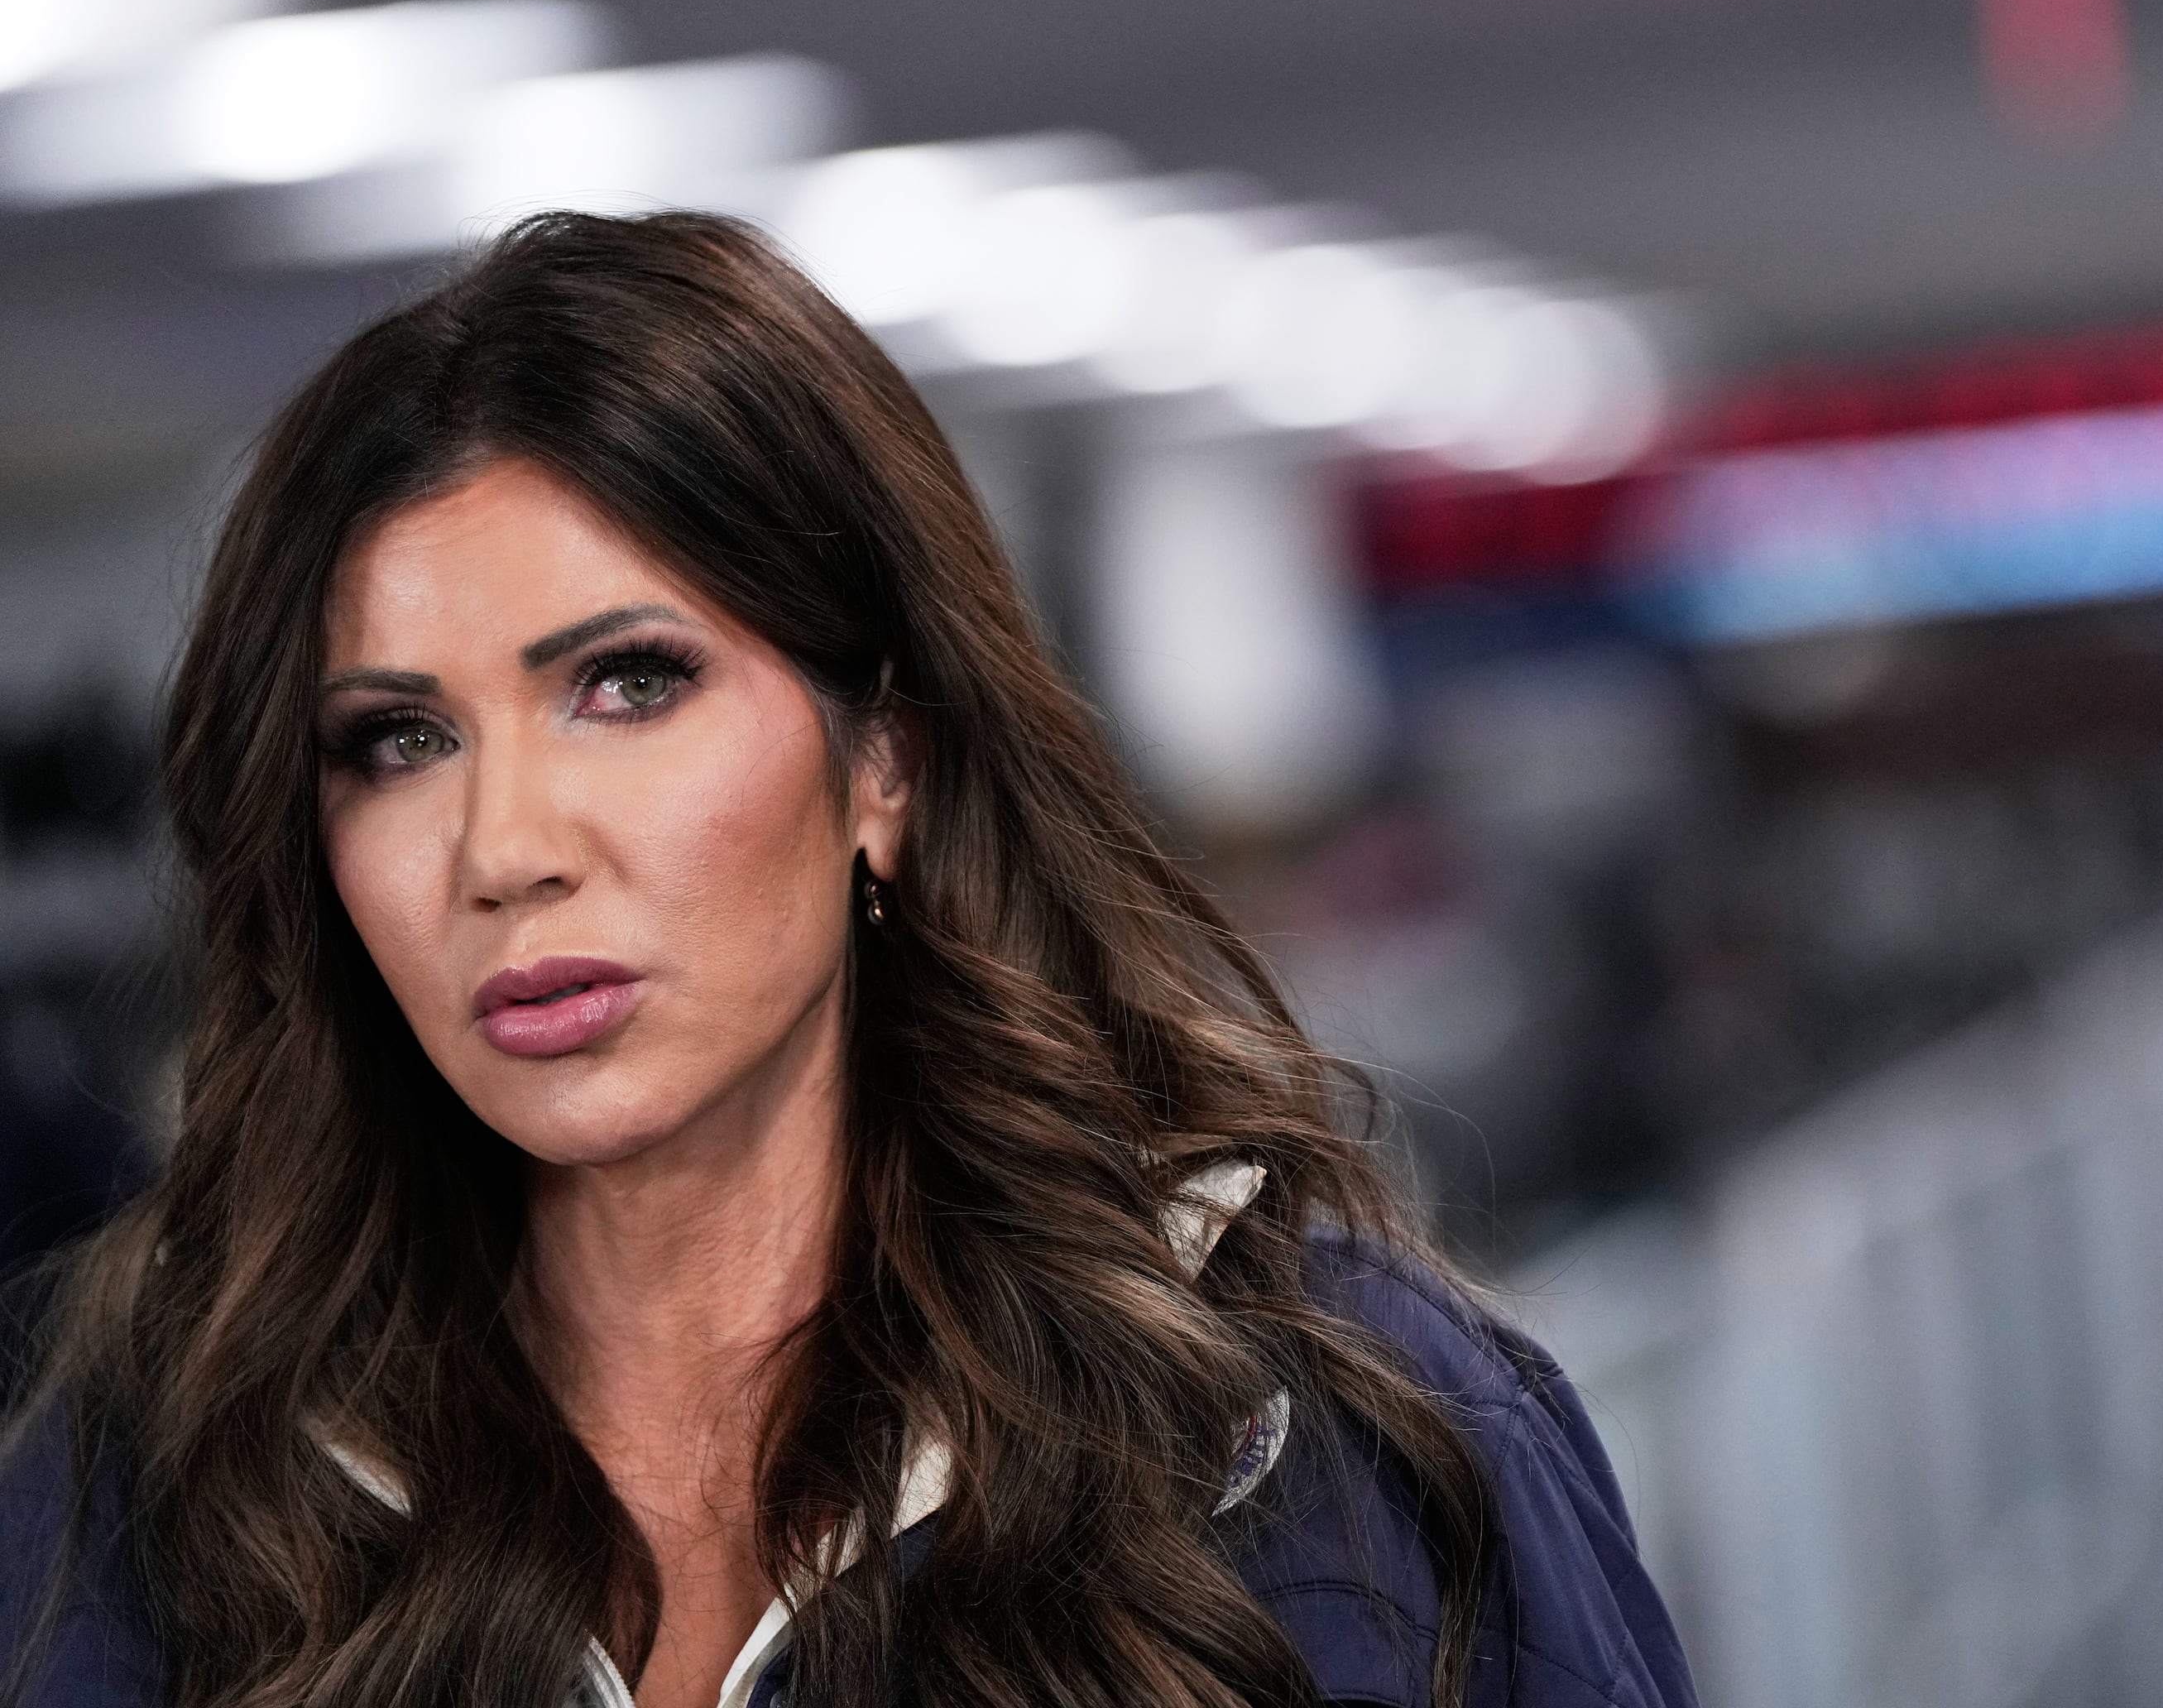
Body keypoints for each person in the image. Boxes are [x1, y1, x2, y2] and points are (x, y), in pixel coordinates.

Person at [0, 212, 1695, 1708]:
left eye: (629, 685)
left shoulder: (1329, 1435)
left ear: (883, 758)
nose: (502, 849)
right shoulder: (166, 1485)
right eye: (397, 741)